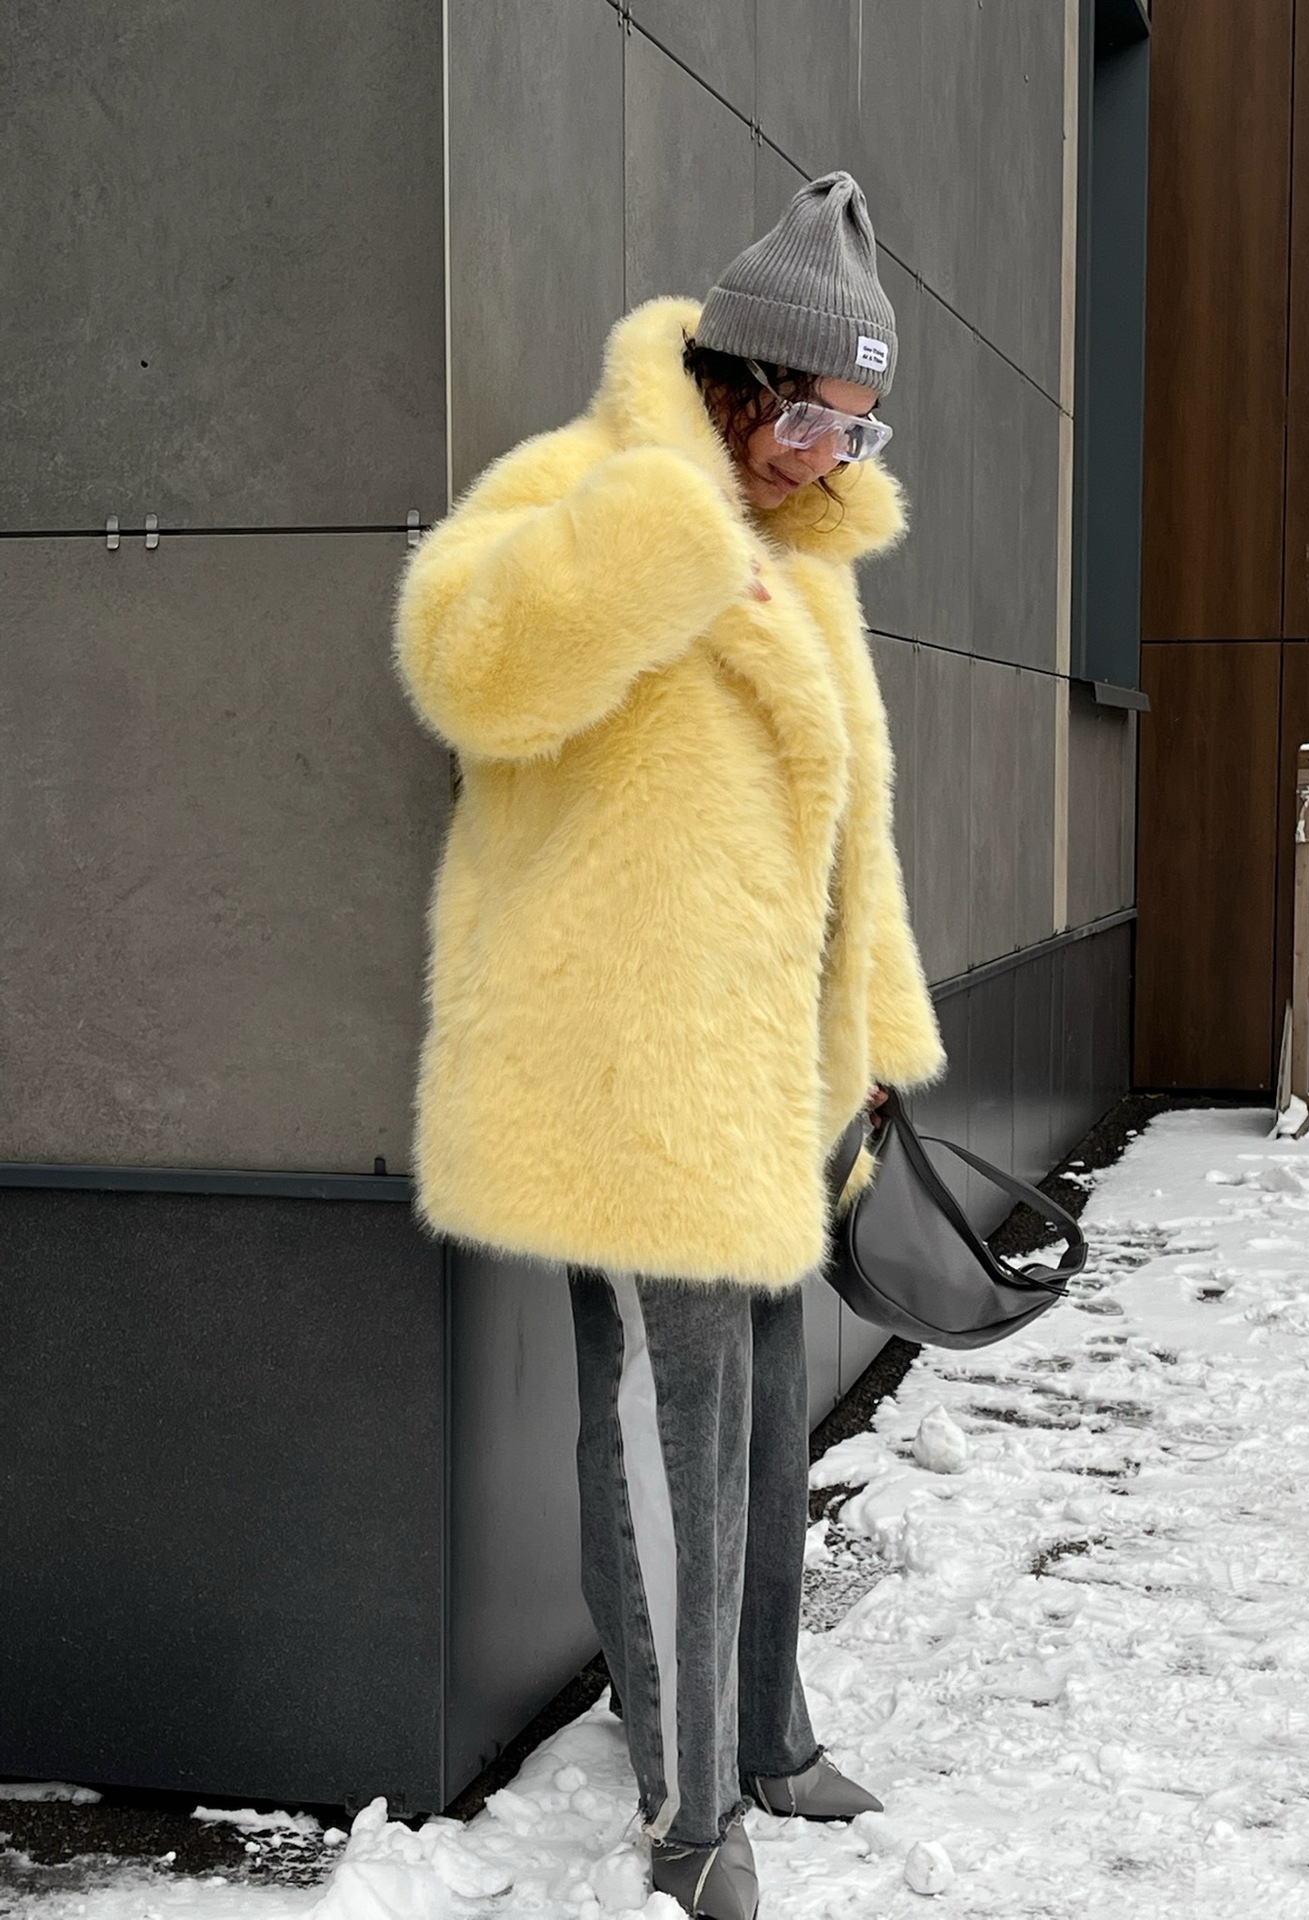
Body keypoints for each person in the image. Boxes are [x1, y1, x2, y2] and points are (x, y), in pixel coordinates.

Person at [392, 172, 944, 1920]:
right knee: (664, 1422)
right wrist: (667, 530)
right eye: (805, 415)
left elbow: (851, 831)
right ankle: (694, 1813)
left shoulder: (809, 562)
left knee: (763, 1420)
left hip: (775, 1076)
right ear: (729, 380)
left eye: (856, 426)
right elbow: (461, 664)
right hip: (627, 1069)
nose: (826, 456)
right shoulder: (585, 492)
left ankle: (761, 1731)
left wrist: (873, 1035)